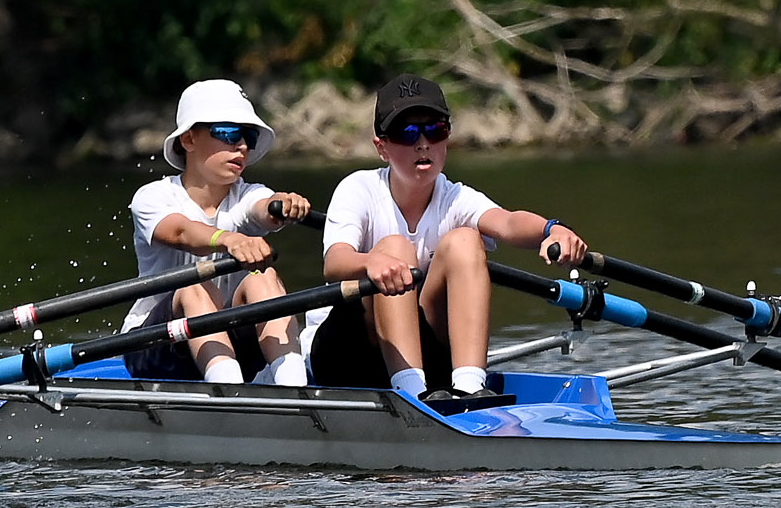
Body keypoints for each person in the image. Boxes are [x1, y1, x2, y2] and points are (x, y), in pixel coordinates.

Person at [311, 73, 587, 410]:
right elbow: (335, 262)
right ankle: (412, 395)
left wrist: (553, 230)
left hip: (429, 359)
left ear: (447, 138)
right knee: (395, 247)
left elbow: (508, 221)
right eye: (406, 132)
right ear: (381, 147)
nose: (423, 143)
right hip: (345, 357)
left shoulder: (456, 198)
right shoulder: (358, 189)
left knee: (466, 241)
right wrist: (373, 262)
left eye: (435, 130)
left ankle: (469, 386)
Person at [122, 79, 314, 386]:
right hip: (157, 348)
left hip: (235, 340)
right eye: (227, 132)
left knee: (263, 276)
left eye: (248, 136)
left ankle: (293, 386)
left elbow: (263, 207)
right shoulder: (153, 196)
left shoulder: (248, 194)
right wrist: (227, 239)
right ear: (188, 139)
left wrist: (284, 204)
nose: (241, 146)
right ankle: (230, 389)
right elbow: (182, 232)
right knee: (196, 283)